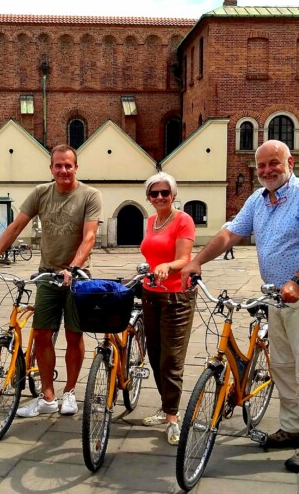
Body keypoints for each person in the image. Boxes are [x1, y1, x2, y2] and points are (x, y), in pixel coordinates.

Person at [181, 140, 299, 473]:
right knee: (282, 365)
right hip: (276, 297)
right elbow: (229, 234)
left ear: (290, 162)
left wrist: (297, 280)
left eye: (274, 163)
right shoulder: (259, 199)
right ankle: (294, 429)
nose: (267, 170)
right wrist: (197, 261)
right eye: (262, 165)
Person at [0, 144, 102, 417]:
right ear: (51, 168)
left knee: (74, 335)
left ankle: (69, 392)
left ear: (76, 167)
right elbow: (16, 226)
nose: (63, 170)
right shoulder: (41, 193)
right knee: (43, 335)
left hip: (78, 277)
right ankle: (47, 396)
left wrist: (74, 266)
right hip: (47, 274)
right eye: (58, 165)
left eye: (68, 165)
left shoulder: (89, 195)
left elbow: (90, 237)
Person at [139, 172, 196, 444]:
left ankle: (172, 417)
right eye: (154, 193)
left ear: (173, 195)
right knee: (154, 354)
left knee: (171, 360)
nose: (160, 197)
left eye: (165, 192)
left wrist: (167, 266)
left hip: (176, 296)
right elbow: (151, 253)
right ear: (148, 198)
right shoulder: (151, 221)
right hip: (150, 294)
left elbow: (184, 258)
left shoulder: (183, 220)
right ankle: (165, 407)